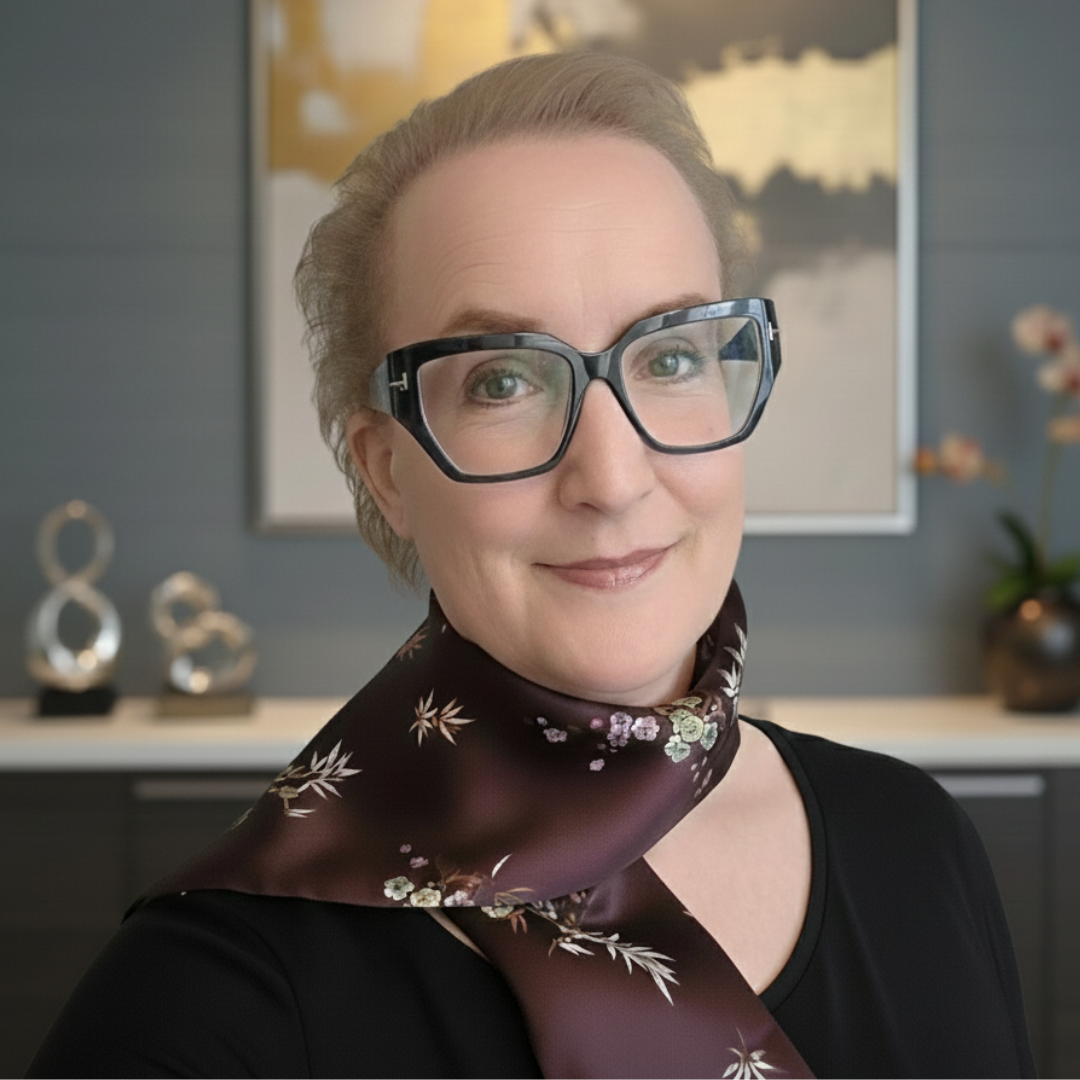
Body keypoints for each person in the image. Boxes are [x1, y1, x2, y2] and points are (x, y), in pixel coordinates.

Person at [29, 52, 1033, 1079]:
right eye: (504, 379)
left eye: (673, 356)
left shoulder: (917, 843)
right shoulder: (204, 999)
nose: (611, 477)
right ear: (388, 471)